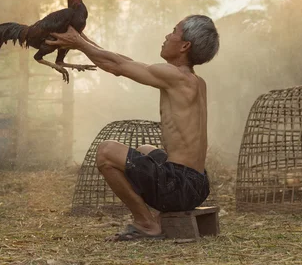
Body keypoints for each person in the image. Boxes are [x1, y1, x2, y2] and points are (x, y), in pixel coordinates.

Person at [47, 15, 220, 241]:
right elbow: (122, 61)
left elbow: (118, 66)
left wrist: (79, 44)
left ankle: (147, 223)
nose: (167, 36)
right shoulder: (195, 81)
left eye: (173, 31)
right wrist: (82, 40)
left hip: (178, 186)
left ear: (185, 46)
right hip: (198, 184)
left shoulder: (174, 76)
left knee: (106, 152)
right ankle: (157, 217)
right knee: (146, 149)